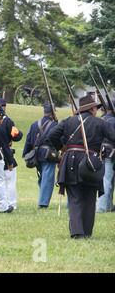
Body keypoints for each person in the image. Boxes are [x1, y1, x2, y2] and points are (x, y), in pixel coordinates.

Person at [49, 95, 115, 239]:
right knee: (90, 198)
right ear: (92, 109)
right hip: (91, 162)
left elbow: (52, 134)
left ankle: (77, 233)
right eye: (96, 108)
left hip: (71, 161)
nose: (96, 111)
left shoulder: (69, 121)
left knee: (75, 198)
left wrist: (62, 147)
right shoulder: (100, 123)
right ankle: (87, 232)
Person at [22, 103, 59, 208]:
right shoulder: (54, 125)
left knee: (42, 178)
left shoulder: (35, 124)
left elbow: (29, 141)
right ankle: (43, 203)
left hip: (37, 154)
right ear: (52, 114)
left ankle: (43, 198)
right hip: (49, 155)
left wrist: (26, 155)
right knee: (47, 179)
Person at [0, 98, 23, 209]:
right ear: (4, 107)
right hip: (5, 152)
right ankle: (11, 203)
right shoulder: (7, 121)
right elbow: (16, 135)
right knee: (10, 180)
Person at [96, 102, 115, 212]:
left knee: (109, 180)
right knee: (107, 180)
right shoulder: (113, 121)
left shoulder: (99, 120)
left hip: (98, 151)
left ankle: (108, 205)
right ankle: (102, 207)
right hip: (109, 152)